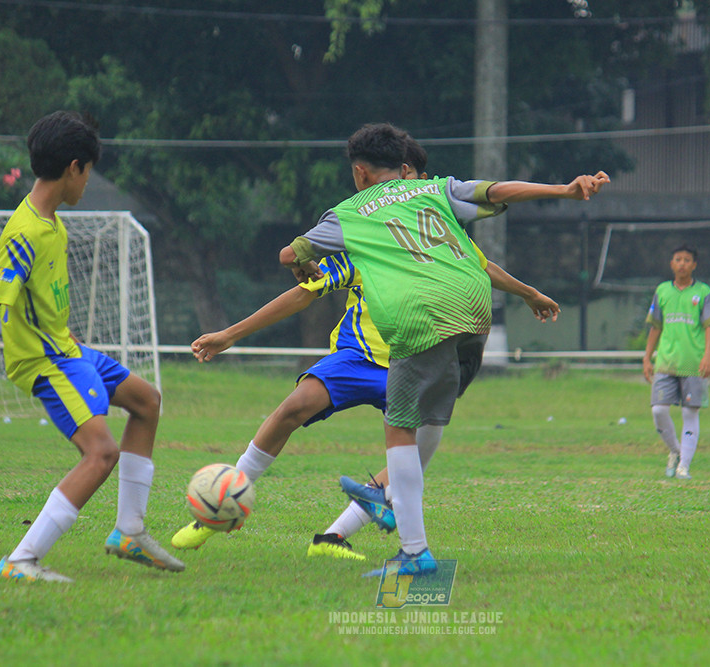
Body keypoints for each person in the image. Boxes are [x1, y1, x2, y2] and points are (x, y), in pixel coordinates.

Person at [171, 136, 560, 560]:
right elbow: (304, 291)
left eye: (422, 176)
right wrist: (230, 335)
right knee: (293, 407)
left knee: (412, 456)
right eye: (412, 172)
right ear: (399, 173)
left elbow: (483, 266)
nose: (417, 182)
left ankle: (335, 536)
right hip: (359, 357)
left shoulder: (429, 229)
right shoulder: (367, 232)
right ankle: (220, 504)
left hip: (415, 355)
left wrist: (528, 293)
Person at [281, 122, 609, 576]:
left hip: (422, 314)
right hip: (474, 310)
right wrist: (566, 190)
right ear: (403, 167)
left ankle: (412, 548)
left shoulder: (350, 212)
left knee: (398, 427)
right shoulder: (434, 190)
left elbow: (289, 255)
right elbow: (496, 191)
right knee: (430, 417)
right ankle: (383, 502)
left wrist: (302, 262)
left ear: (359, 173)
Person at [0, 111, 184, 582]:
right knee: (101, 453)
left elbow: (40, 303)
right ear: (74, 167)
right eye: (88, 171)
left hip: (69, 351)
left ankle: (129, 531)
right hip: (46, 363)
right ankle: (21, 560)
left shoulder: (52, 224)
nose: (87, 182)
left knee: (147, 401)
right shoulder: (25, 234)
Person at [642, 243, 710, 480]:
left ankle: (684, 466)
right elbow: (656, 327)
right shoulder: (662, 291)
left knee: (690, 413)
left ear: (694, 265)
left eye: (687, 260)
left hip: (693, 363)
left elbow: (709, 326)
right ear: (671, 264)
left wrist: (707, 356)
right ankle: (676, 451)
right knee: (658, 410)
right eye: (678, 259)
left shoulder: (703, 292)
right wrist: (647, 357)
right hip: (666, 362)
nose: (682, 263)